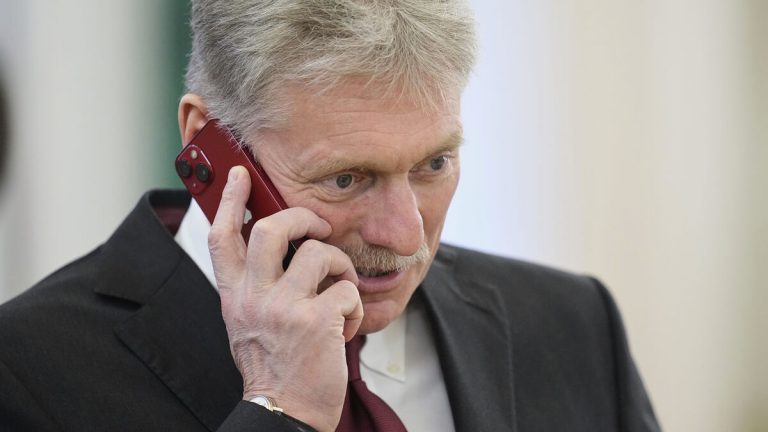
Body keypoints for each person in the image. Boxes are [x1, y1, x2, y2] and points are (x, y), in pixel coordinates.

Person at [0, 1, 661, 431]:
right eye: (346, 178)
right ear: (208, 144)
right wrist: (278, 409)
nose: (403, 234)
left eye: (433, 164)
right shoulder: (26, 369)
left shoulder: (574, 327)